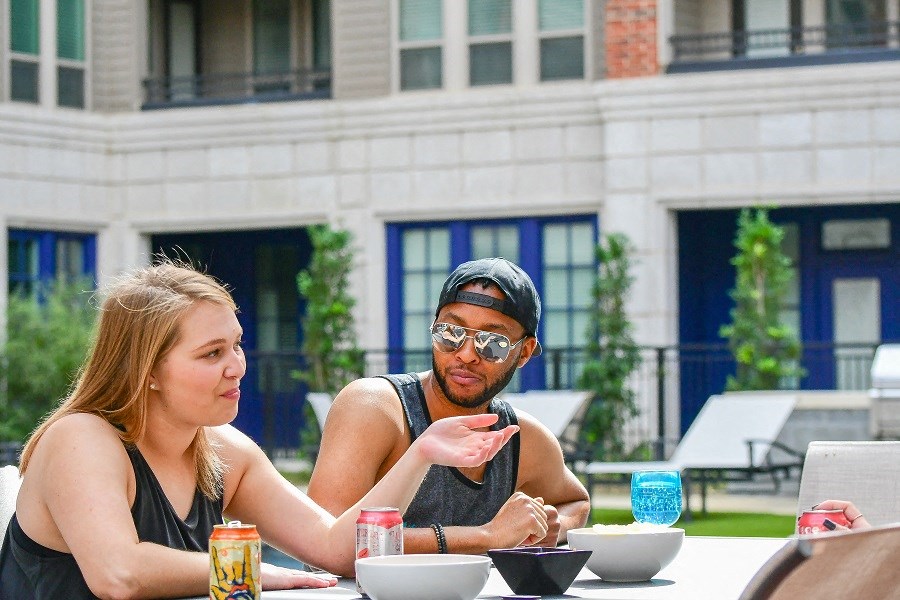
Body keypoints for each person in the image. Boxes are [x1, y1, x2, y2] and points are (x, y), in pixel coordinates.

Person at [0, 261, 520, 599]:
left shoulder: (223, 453)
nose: (238, 366)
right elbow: (118, 574)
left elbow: (338, 549)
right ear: (147, 370)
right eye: (212, 354)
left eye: (237, 344)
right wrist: (252, 570)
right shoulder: (82, 439)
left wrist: (422, 453)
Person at [308, 257, 591, 554]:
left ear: (524, 353)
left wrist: (549, 525)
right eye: (450, 333)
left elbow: (576, 502)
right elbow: (325, 537)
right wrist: (486, 536)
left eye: (492, 343)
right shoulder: (375, 408)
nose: (466, 354)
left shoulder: (522, 438)